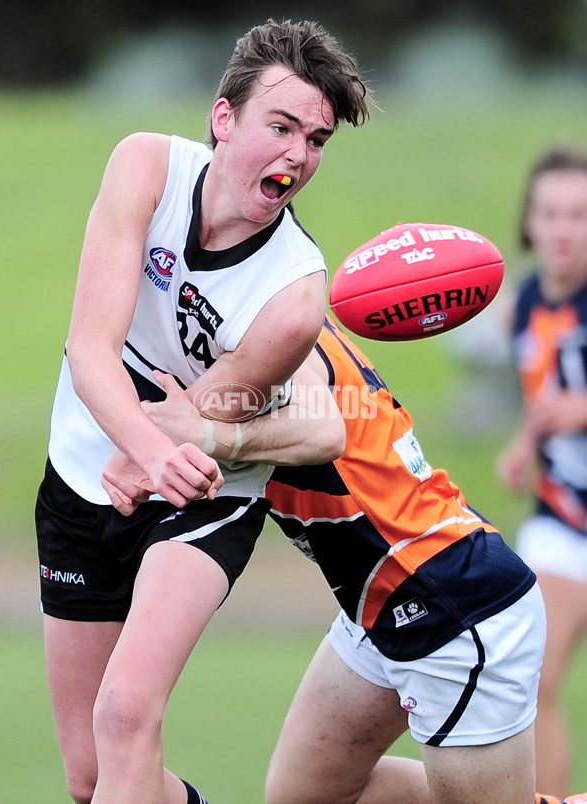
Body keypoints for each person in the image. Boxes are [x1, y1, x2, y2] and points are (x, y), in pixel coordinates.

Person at [35, 19, 372, 804]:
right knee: (92, 778)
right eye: (281, 127)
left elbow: (195, 413)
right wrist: (143, 449)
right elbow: (90, 351)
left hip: (204, 491)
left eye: (316, 141)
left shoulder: (294, 296)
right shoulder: (144, 166)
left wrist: (155, 456)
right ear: (224, 119)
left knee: (124, 715)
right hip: (85, 468)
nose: (297, 156)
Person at [113, 313, 563, 803]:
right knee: (305, 797)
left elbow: (320, 431)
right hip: (375, 599)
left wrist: (203, 435)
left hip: (448, 595)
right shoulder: (223, 317)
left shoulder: (267, 314)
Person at [497, 143, 587, 798]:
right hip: (563, 517)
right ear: (529, 221)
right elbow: (548, 391)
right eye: (550, 213)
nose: (562, 228)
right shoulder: (523, 301)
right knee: (535, 679)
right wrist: (525, 441)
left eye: (579, 214)